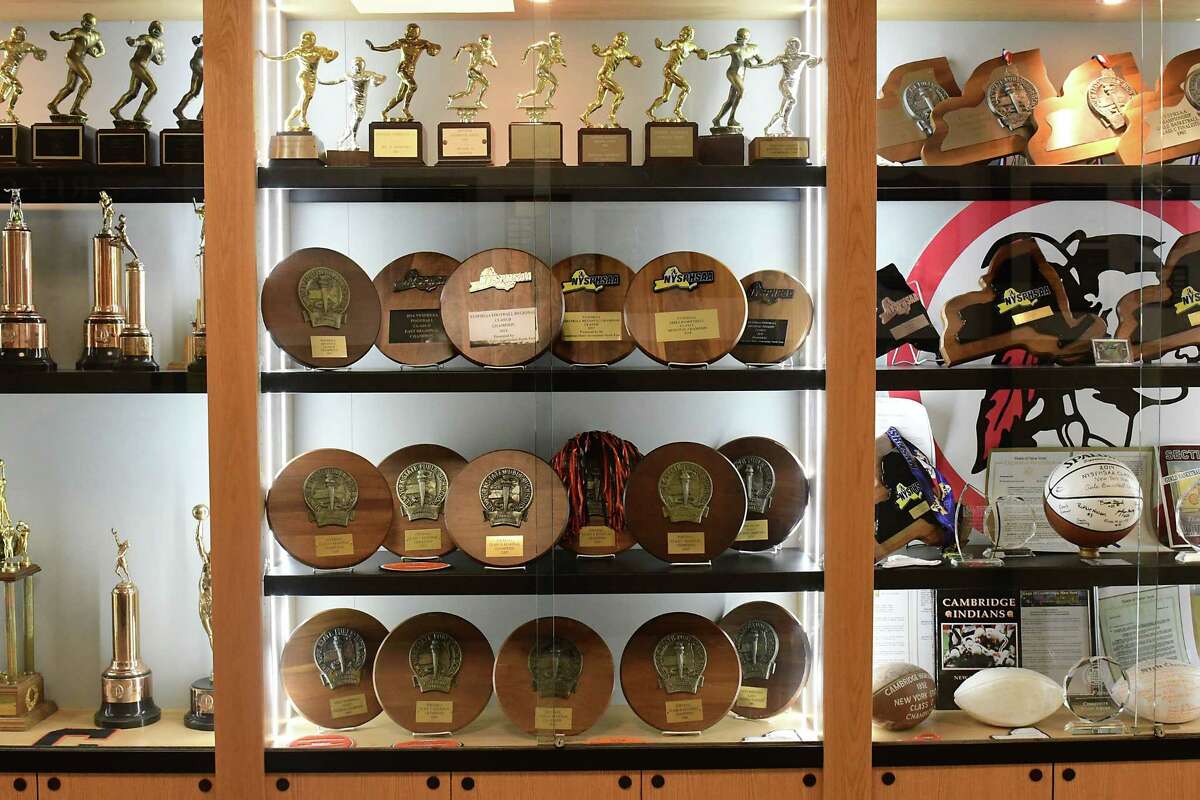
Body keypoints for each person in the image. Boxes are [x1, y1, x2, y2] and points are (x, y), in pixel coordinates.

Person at [259, 31, 338, 132]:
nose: (303, 41)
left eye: (306, 39)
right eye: (303, 39)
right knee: (305, 95)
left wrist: (334, 54)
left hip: (312, 78)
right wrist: (268, 58)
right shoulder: (299, 50)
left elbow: (328, 59)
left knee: (302, 103)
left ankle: (288, 121)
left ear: (312, 41)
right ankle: (302, 119)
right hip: (303, 76)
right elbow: (284, 57)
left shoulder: (319, 50)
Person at [367, 24, 440, 123]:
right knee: (413, 86)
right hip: (402, 69)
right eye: (409, 31)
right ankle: (405, 109)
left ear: (417, 33)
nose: (410, 34)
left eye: (413, 32)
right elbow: (388, 47)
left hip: (411, 71)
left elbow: (436, 47)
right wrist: (374, 48)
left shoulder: (422, 43)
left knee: (400, 97)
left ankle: (384, 111)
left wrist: (434, 49)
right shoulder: (402, 42)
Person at [751, 37, 822, 137]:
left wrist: (817, 61)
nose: (787, 49)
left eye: (790, 46)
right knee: (792, 100)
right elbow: (768, 64)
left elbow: (817, 59)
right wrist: (753, 66)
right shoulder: (782, 58)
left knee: (781, 111)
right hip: (785, 83)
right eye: (787, 46)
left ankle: (768, 128)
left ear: (796, 48)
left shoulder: (803, 56)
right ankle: (785, 126)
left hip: (794, 85)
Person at [47, 12, 106, 121]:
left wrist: (95, 53)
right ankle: (75, 107)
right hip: (73, 57)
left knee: (70, 87)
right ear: (82, 23)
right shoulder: (78, 31)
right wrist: (56, 36)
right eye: (86, 24)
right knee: (88, 81)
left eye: (90, 25)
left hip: (79, 59)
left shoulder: (96, 36)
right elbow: (65, 37)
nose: (88, 26)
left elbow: (102, 51)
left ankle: (53, 104)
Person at [320, 57, 386, 150]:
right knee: (357, 118)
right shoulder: (349, 75)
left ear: (363, 66)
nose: (358, 67)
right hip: (353, 100)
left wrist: (377, 82)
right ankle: (353, 140)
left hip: (363, 100)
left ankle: (341, 140)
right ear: (352, 66)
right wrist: (321, 82)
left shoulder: (368, 74)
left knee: (355, 121)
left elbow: (381, 78)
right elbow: (336, 81)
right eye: (356, 65)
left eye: (360, 65)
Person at [706, 28, 762, 133]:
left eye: (745, 38)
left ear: (748, 38)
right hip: (732, 73)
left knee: (731, 100)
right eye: (741, 37)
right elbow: (720, 53)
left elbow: (760, 60)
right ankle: (731, 118)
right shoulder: (733, 47)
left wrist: (752, 62)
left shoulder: (753, 48)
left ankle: (717, 119)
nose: (743, 40)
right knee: (742, 91)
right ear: (737, 37)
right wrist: (708, 55)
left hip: (741, 75)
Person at [581, 32, 641, 128]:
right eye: (620, 39)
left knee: (599, 102)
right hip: (603, 76)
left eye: (624, 40)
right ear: (616, 39)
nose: (622, 42)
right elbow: (601, 53)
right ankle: (612, 117)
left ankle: (584, 115)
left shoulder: (624, 53)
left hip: (607, 77)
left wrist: (636, 61)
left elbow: (631, 57)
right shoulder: (611, 50)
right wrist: (596, 51)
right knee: (620, 93)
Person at [111, 21, 166, 125]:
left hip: (140, 65)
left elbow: (162, 60)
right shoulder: (146, 38)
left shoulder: (160, 44)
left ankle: (115, 109)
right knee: (153, 88)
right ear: (149, 28)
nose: (155, 31)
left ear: (162, 32)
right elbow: (138, 42)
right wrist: (131, 41)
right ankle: (139, 114)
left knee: (133, 92)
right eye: (153, 28)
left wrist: (156, 57)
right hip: (137, 64)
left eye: (158, 30)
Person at [0, 26, 47, 123]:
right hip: (5, 71)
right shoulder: (7, 44)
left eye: (23, 35)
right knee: (18, 88)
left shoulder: (26, 46)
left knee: (2, 97)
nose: (22, 37)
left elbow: (40, 52)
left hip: (13, 72)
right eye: (20, 35)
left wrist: (41, 54)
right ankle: (10, 111)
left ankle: (10, 111)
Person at [516, 33, 566, 109]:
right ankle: (547, 101)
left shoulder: (556, 51)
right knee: (553, 82)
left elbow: (562, 62)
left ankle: (522, 97)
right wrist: (525, 57)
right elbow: (530, 47)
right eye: (556, 40)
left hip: (547, 71)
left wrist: (560, 60)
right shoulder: (544, 46)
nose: (558, 43)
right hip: (541, 70)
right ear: (552, 39)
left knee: (538, 91)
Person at [447, 33, 497, 109]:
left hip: (474, 72)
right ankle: (478, 101)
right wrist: (456, 57)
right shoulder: (475, 47)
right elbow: (462, 48)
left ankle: (452, 97)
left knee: (468, 92)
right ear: (483, 42)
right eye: (489, 41)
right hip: (472, 71)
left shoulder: (487, 53)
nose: (490, 43)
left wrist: (491, 57)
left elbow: (495, 65)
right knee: (486, 84)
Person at [173, 34, 204, 124]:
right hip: (199, 63)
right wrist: (197, 40)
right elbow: (199, 42)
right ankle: (201, 114)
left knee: (194, 92)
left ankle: (179, 109)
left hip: (197, 63)